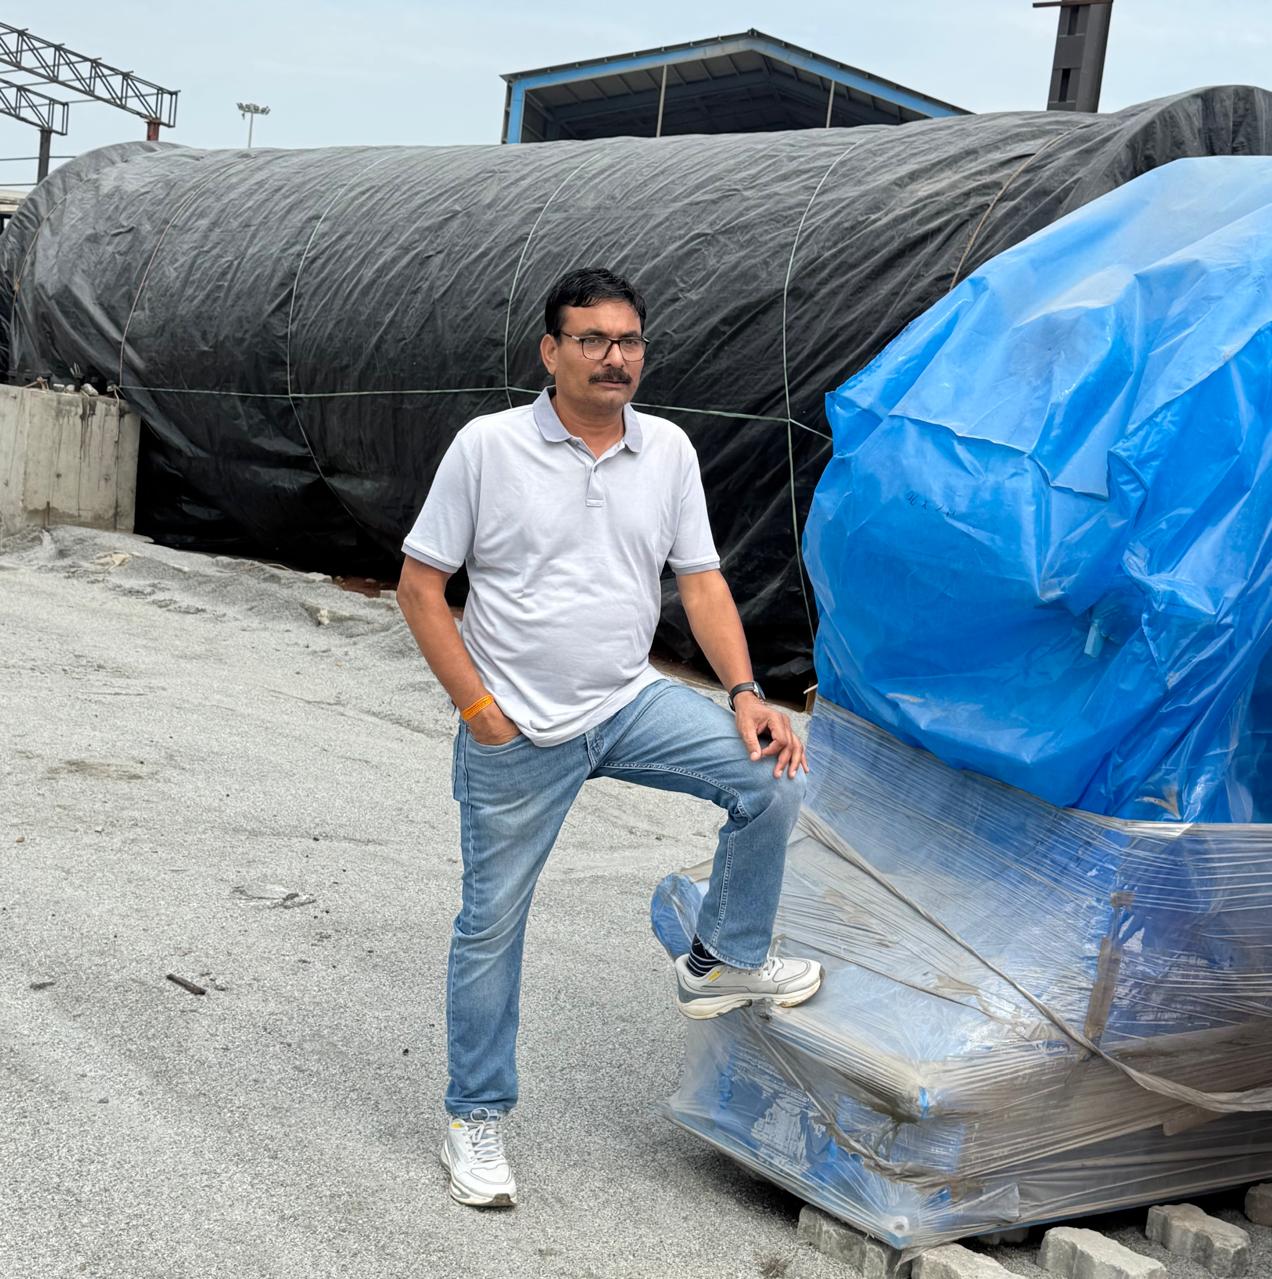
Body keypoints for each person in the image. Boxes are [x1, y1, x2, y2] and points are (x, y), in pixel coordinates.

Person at [396, 267, 823, 1210]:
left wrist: (747, 692)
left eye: (627, 341)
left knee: (770, 778)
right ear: (550, 352)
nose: (613, 357)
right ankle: (475, 1116)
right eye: (591, 340)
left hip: (628, 700)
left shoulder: (666, 450)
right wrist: (479, 711)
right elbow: (420, 589)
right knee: (491, 924)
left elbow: (702, 582)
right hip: (517, 727)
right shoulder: (488, 448)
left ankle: (720, 958)